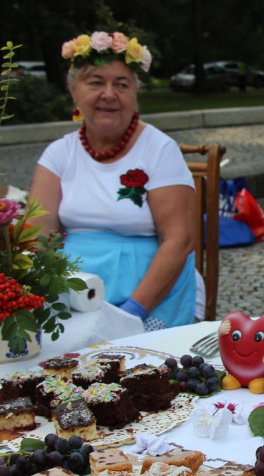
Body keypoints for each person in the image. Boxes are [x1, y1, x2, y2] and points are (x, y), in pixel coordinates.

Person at [28, 31, 198, 331]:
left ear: (135, 93)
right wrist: (45, 296)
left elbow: (179, 240)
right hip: (71, 295)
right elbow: (37, 239)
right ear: (73, 90)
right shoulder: (58, 154)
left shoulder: (159, 150)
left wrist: (130, 313)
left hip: (149, 297)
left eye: (121, 84)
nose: (109, 94)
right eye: (95, 82)